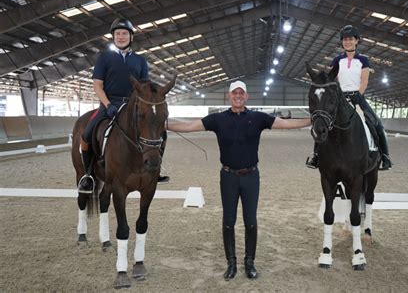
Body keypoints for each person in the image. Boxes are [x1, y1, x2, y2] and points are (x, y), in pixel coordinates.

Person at [167, 81, 311, 280]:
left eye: (241, 93)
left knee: (250, 221)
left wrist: (312, 120)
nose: (238, 96)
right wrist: (161, 123)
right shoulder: (217, 119)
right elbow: (190, 126)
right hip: (228, 177)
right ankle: (231, 263)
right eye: (234, 93)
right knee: (228, 221)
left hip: (251, 176)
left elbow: (285, 124)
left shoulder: (258, 118)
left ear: (247, 96)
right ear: (229, 96)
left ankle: (249, 262)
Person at [77, 18, 168, 194]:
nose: (121, 36)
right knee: (87, 133)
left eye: (124, 33)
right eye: (117, 34)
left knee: (160, 133)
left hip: (133, 107)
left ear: (131, 37)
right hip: (108, 105)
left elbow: (144, 87)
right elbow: (97, 85)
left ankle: (155, 169)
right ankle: (88, 175)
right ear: (113, 37)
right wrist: (108, 104)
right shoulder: (104, 58)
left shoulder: (140, 61)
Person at [306, 24, 393, 170]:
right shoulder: (336, 61)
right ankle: (316, 155)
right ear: (342, 42)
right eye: (345, 40)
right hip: (340, 98)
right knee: (323, 122)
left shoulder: (363, 60)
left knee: (376, 123)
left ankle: (385, 156)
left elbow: (364, 81)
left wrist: (358, 95)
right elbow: (333, 79)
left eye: (350, 39)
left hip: (357, 97)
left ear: (356, 41)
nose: (347, 42)